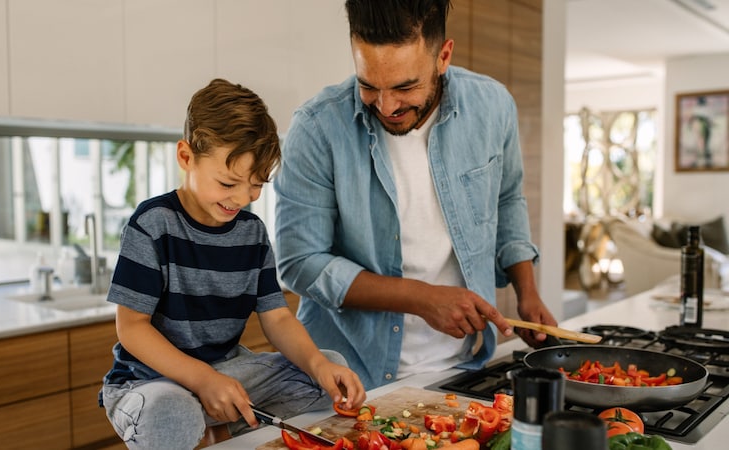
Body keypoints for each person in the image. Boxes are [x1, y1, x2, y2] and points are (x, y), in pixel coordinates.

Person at [273, 0, 557, 390]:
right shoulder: (317, 128)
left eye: (405, 86)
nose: (386, 106)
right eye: (368, 85)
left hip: (463, 368)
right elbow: (299, 263)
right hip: (347, 377)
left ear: (443, 56)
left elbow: (507, 198)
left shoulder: (493, 107)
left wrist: (527, 291)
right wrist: (420, 298)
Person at [99, 78, 365, 449]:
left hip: (224, 372)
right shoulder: (153, 224)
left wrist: (319, 365)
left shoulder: (252, 233)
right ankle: (204, 429)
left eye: (256, 185)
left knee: (326, 370)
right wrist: (202, 379)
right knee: (174, 411)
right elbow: (131, 328)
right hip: (150, 382)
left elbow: (278, 318)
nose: (242, 198)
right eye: (228, 183)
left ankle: (214, 433)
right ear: (186, 157)